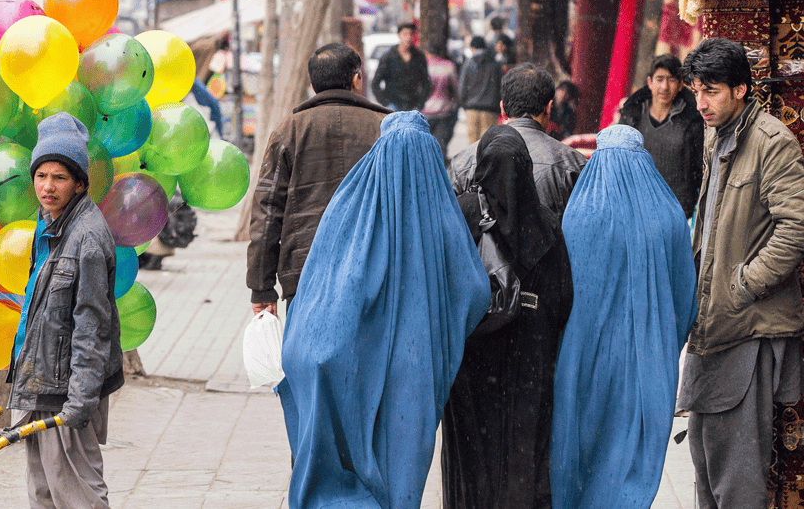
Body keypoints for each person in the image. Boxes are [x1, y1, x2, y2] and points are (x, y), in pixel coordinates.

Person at [278, 111, 491, 509]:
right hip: (419, 367)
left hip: (357, 364)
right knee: (404, 471)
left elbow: (322, 294)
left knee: (358, 462)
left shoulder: (351, 205)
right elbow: (474, 290)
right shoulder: (441, 211)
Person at [677, 37, 804, 509]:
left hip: (747, 325)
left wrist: (744, 282)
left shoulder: (771, 141)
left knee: (737, 475)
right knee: (706, 459)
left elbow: (796, 226)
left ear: (741, 89)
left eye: (711, 90)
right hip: (715, 320)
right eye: (696, 90)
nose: (700, 102)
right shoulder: (717, 135)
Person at [550, 125, 698, 509]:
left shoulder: (578, 214)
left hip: (583, 359)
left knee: (582, 449)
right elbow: (685, 299)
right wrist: (662, 343)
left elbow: (559, 294)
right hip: (646, 361)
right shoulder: (668, 215)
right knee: (632, 456)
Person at [441, 124, 574, 509]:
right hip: (529, 360)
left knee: (471, 452)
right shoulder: (547, 223)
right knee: (523, 448)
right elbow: (561, 297)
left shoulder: (463, 213)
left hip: (472, 356)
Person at [6, 112, 123, 509]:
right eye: (42, 175)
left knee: (78, 494)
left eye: (59, 177)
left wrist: (81, 399)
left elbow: (93, 326)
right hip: (42, 378)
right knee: (44, 492)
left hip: (68, 389)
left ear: (79, 183)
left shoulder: (86, 238)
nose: (48, 186)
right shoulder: (49, 224)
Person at [247, 42, 391, 315]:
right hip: (375, 266)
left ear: (313, 84)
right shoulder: (386, 126)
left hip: (305, 269)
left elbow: (267, 211)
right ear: (356, 79)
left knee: (309, 355)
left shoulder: (288, 130)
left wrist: (261, 286)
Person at [450, 62, 587, 221]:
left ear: (502, 109)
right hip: (551, 245)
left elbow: (446, 221)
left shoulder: (463, 161)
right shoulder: (574, 164)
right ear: (548, 108)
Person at [618, 53, 704, 218]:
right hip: (633, 209)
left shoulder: (692, 122)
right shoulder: (632, 116)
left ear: (680, 85)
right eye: (659, 79)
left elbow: (698, 171)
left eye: (671, 80)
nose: (665, 87)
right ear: (650, 82)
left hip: (674, 213)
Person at [370, 22, 431, 111]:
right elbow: (375, 83)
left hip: (413, 104)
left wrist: (420, 103)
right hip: (393, 103)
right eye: (405, 34)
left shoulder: (419, 57)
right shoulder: (388, 57)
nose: (408, 37)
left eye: (411, 34)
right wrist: (386, 102)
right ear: (399, 35)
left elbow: (426, 82)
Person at [457, 36, 502, 145]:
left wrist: (463, 103)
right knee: (487, 143)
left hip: (472, 108)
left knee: (472, 143)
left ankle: (474, 162)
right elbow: (499, 86)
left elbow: (462, 86)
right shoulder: (495, 64)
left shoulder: (468, 64)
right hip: (490, 109)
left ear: (473, 48)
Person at [423, 46, 459, 163]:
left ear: (427, 52)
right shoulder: (448, 66)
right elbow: (455, 87)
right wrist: (454, 104)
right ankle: (439, 173)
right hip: (444, 110)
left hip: (425, 111)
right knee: (440, 145)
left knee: (424, 146)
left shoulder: (422, 65)